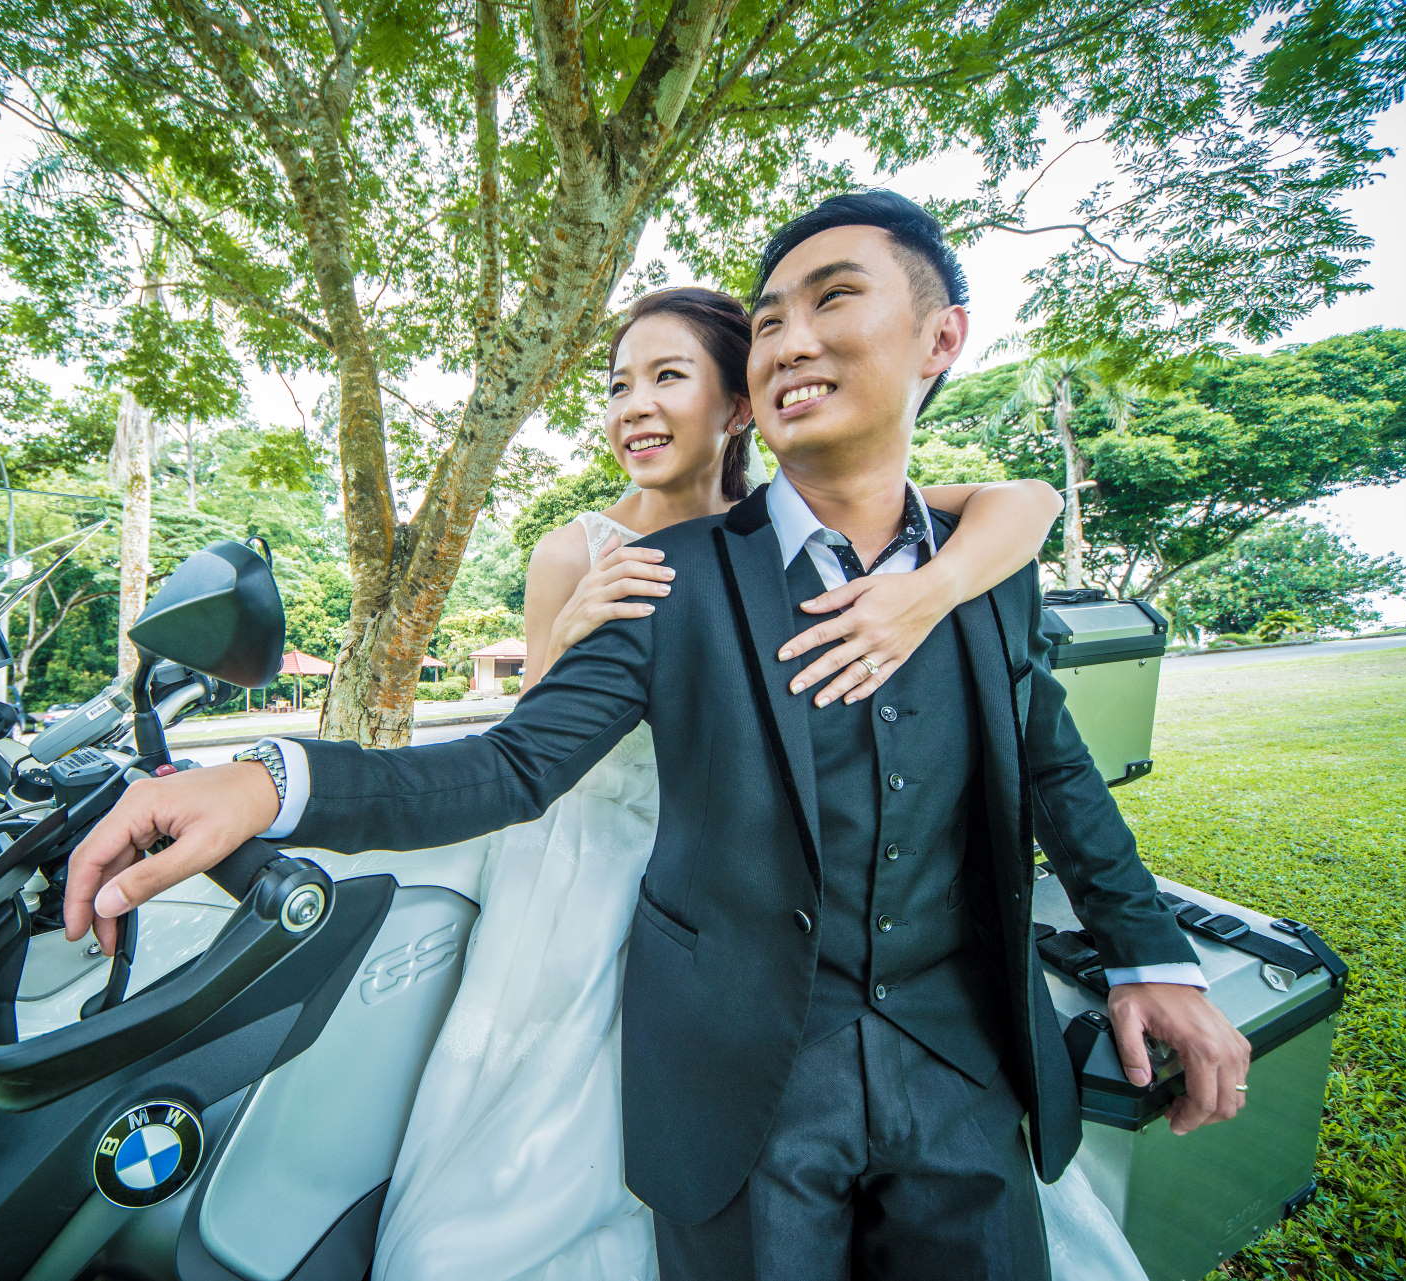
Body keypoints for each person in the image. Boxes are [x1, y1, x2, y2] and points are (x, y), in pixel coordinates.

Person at [66, 191, 1251, 1281]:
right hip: (748, 1082)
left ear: (941, 339)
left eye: (834, 300)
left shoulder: (984, 571)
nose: (790, 341)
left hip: (964, 1064)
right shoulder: (662, 576)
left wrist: (1152, 959)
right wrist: (263, 781)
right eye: (769, 320)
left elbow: (1053, 768)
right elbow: (511, 765)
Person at [366, 286, 1070, 1281]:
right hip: (595, 865)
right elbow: (535, 746)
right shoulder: (575, 549)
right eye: (619, 386)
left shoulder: (785, 527)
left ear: (738, 404)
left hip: (758, 873)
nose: (635, 408)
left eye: (668, 377)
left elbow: (1026, 502)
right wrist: (574, 633)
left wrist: (929, 591)